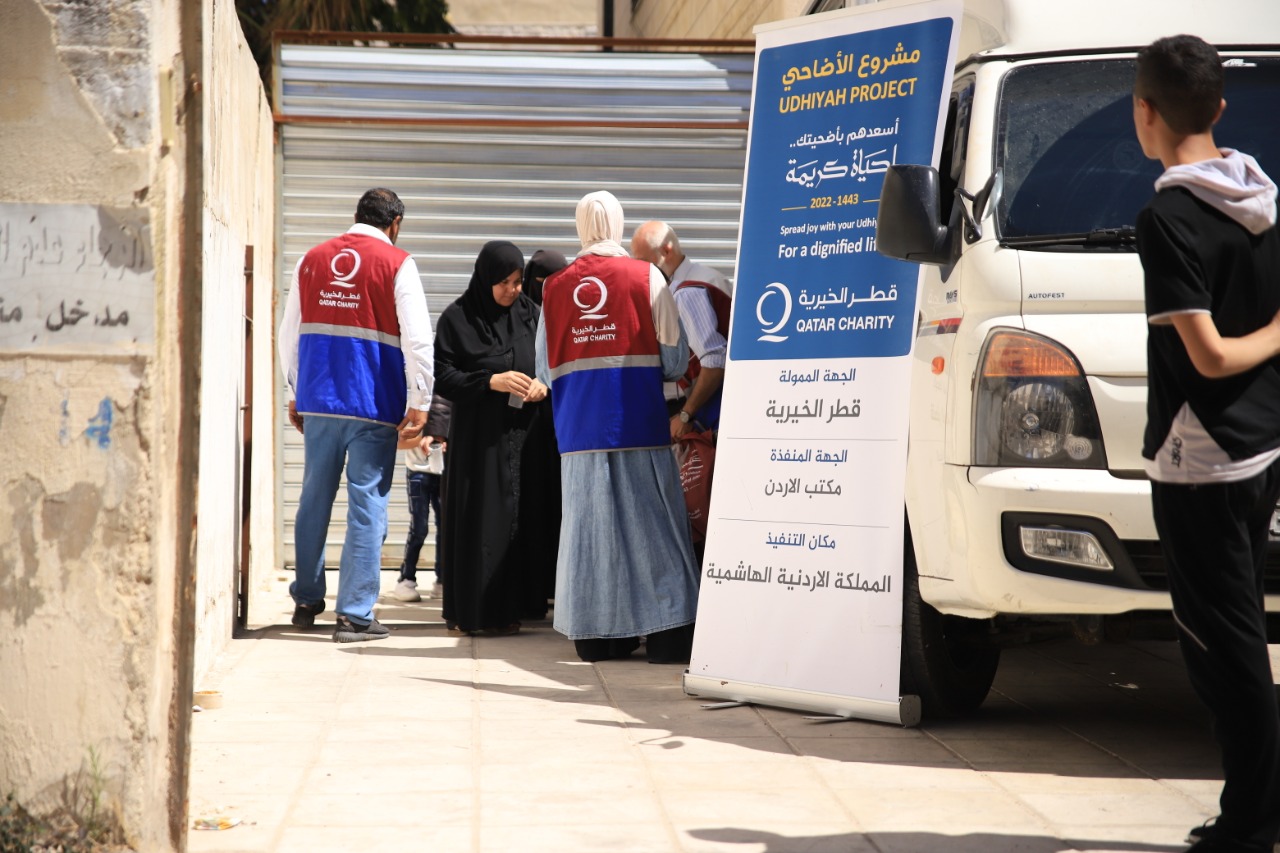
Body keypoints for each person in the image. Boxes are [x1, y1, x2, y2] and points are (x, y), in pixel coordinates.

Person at [1132, 35, 1280, 853]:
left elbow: (1212, 354)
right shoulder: (1264, 196)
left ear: (1143, 113)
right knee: (1238, 630)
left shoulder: (1168, 217)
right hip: (1261, 445)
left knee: (1222, 643)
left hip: (1202, 455)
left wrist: (1271, 334)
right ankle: (1250, 808)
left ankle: (1251, 822)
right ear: (1220, 109)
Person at [536, 191, 701, 664]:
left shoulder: (553, 288)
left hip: (578, 433)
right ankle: (667, 636)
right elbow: (673, 361)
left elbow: (545, 370)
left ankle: (597, 638)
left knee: (590, 536)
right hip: (640, 425)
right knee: (656, 531)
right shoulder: (647, 275)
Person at [278, 188, 433, 643]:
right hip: (372, 404)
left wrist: (293, 390)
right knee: (367, 505)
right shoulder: (398, 264)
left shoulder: (311, 259)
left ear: (355, 216)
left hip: (319, 400)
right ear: (396, 222)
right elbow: (419, 340)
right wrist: (420, 400)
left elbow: (290, 331)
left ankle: (306, 601)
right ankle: (354, 615)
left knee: (313, 499)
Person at [434, 240, 549, 635]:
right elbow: (444, 375)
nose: (512, 290)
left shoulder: (533, 316)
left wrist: (541, 386)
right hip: (479, 440)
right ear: (485, 279)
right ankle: (476, 611)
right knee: (481, 520)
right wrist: (491, 381)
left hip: (525, 437)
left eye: (517, 282)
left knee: (523, 518)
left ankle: (518, 606)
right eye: (503, 283)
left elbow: (552, 365)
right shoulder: (458, 318)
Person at [630, 220, 731, 440]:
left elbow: (714, 359)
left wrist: (686, 414)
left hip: (707, 410)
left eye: (642, 261)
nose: (639, 269)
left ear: (666, 250)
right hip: (700, 408)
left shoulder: (688, 291)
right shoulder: (704, 278)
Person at [520, 249, 570, 614]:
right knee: (532, 506)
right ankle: (534, 589)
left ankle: (558, 587)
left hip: (561, 425)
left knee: (561, 505)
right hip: (525, 428)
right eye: (539, 282)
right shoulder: (518, 315)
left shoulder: (566, 308)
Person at [391, 394, 451, 602]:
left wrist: (443, 436)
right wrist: (428, 434)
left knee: (445, 527)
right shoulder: (412, 401)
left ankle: (442, 580)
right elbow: (398, 441)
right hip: (417, 472)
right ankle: (406, 578)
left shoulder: (448, 398)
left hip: (443, 472)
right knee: (419, 527)